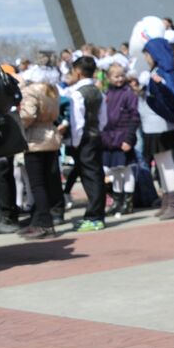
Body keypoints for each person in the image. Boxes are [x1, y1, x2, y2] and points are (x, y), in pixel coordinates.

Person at [140, 34, 174, 220]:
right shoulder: (162, 71)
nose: (146, 57)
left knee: (167, 163)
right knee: (161, 163)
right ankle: (168, 200)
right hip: (153, 125)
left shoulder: (164, 72)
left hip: (162, 125)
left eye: (148, 54)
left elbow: (171, 99)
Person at [17, 71, 62, 239]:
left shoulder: (31, 91)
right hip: (51, 135)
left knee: (37, 184)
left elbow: (28, 114)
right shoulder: (52, 89)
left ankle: (44, 222)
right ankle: (40, 219)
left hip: (36, 139)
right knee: (47, 181)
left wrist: (18, 124)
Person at [65, 56, 107, 232]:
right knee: (96, 174)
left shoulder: (77, 94)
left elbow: (77, 122)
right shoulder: (99, 92)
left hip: (84, 139)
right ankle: (97, 214)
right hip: (96, 135)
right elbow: (104, 118)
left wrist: (75, 142)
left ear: (79, 72)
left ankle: (94, 216)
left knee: (90, 176)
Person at [101, 64, 141, 219]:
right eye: (115, 76)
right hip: (110, 137)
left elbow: (134, 116)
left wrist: (129, 138)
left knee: (126, 169)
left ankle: (128, 201)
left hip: (123, 135)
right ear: (109, 78)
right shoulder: (107, 93)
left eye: (121, 76)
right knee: (115, 170)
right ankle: (117, 201)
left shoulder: (128, 93)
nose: (119, 79)